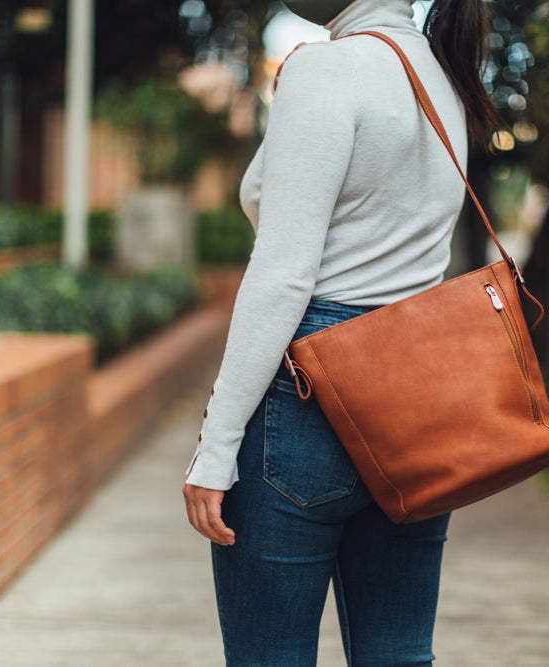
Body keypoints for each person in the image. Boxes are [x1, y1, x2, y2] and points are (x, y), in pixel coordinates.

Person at [183, 0, 502, 663]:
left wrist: (217, 443)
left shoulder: (327, 71)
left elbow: (283, 274)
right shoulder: (441, 74)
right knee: (399, 652)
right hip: (416, 385)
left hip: (311, 391)